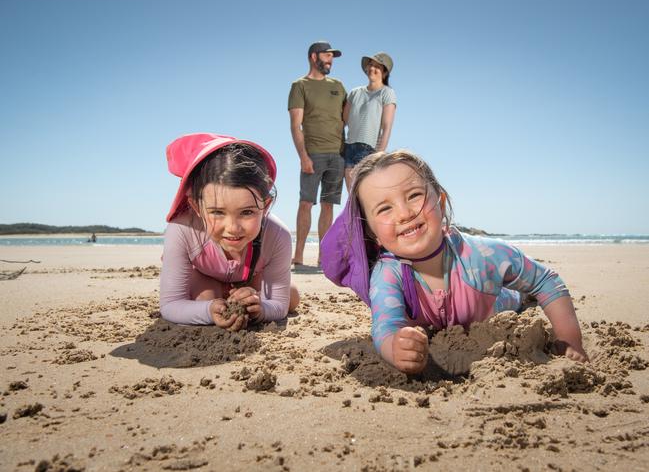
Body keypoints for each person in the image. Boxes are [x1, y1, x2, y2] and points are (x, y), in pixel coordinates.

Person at [321, 150, 588, 374]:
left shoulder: (484, 255)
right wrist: (394, 347)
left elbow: (546, 280)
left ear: (441, 200)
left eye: (414, 195)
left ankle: (521, 296)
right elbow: (385, 325)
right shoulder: (387, 274)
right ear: (371, 233)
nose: (404, 213)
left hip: (500, 301)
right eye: (384, 208)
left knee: (521, 293)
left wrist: (570, 342)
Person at [160, 133, 299, 330]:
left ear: (265, 206)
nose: (233, 228)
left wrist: (260, 309)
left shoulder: (277, 235)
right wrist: (208, 310)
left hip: (252, 278)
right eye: (217, 212)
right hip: (204, 277)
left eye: (247, 212)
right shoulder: (182, 230)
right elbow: (171, 304)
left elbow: (279, 305)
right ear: (197, 207)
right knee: (206, 299)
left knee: (291, 297)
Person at [288, 41, 347, 266]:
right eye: (327, 55)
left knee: (328, 205)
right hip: (313, 154)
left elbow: (347, 117)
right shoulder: (300, 85)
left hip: (338, 154)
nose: (330, 60)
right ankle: (299, 255)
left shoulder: (338, 86)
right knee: (305, 203)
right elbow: (295, 125)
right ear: (314, 57)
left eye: (332, 56)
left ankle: (324, 256)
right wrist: (303, 156)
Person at [342, 52, 396, 191]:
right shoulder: (354, 93)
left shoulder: (387, 93)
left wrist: (379, 155)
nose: (373, 68)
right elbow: (344, 120)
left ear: (384, 73)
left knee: (364, 192)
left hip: (369, 149)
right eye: (371, 65)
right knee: (352, 196)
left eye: (378, 67)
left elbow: (387, 127)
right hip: (349, 147)